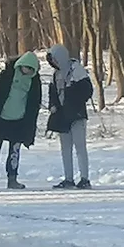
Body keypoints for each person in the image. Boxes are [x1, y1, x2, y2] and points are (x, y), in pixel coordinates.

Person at [0, 52, 42, 190]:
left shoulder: (34, 80)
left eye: (31, 69)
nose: (27, 71)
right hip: (1, 118)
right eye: (25, 67)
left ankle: (12, 178)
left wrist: (30, 123)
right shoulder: (8, 74)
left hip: (19, 121)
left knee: (14, 151)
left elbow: (34, 102)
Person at [46, 43, 94, 189]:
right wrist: (53, 105)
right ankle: (68, 178)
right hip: (62, 116)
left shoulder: (76, 70)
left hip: (77, 114)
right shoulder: (56, 75)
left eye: (54, 59)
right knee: (65, 148)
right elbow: (52, 93)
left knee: (80, 147)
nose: (54, 63)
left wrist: (73, 99)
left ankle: (84, 178)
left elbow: (87, 90)